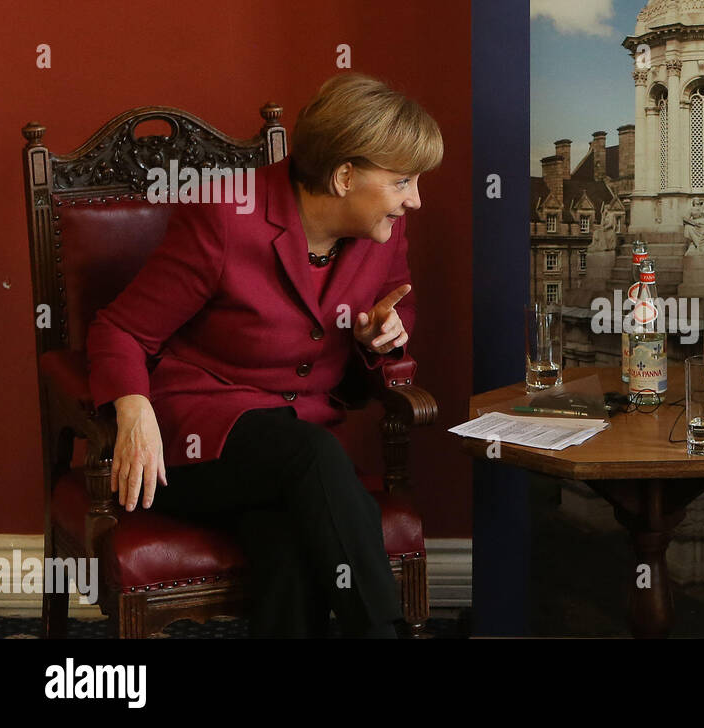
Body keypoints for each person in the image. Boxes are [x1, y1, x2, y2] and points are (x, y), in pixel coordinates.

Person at [86, 73, 444, 638]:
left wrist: (381, 335)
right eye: (402, 181)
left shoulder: (384, 230)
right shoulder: (226, 216)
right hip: (200, 441)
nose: (415, 199)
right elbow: (119, 329)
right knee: (313, 460)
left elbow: (397, 310)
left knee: (287, 540)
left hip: (295, 458)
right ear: (344, 174)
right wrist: (132, 411)